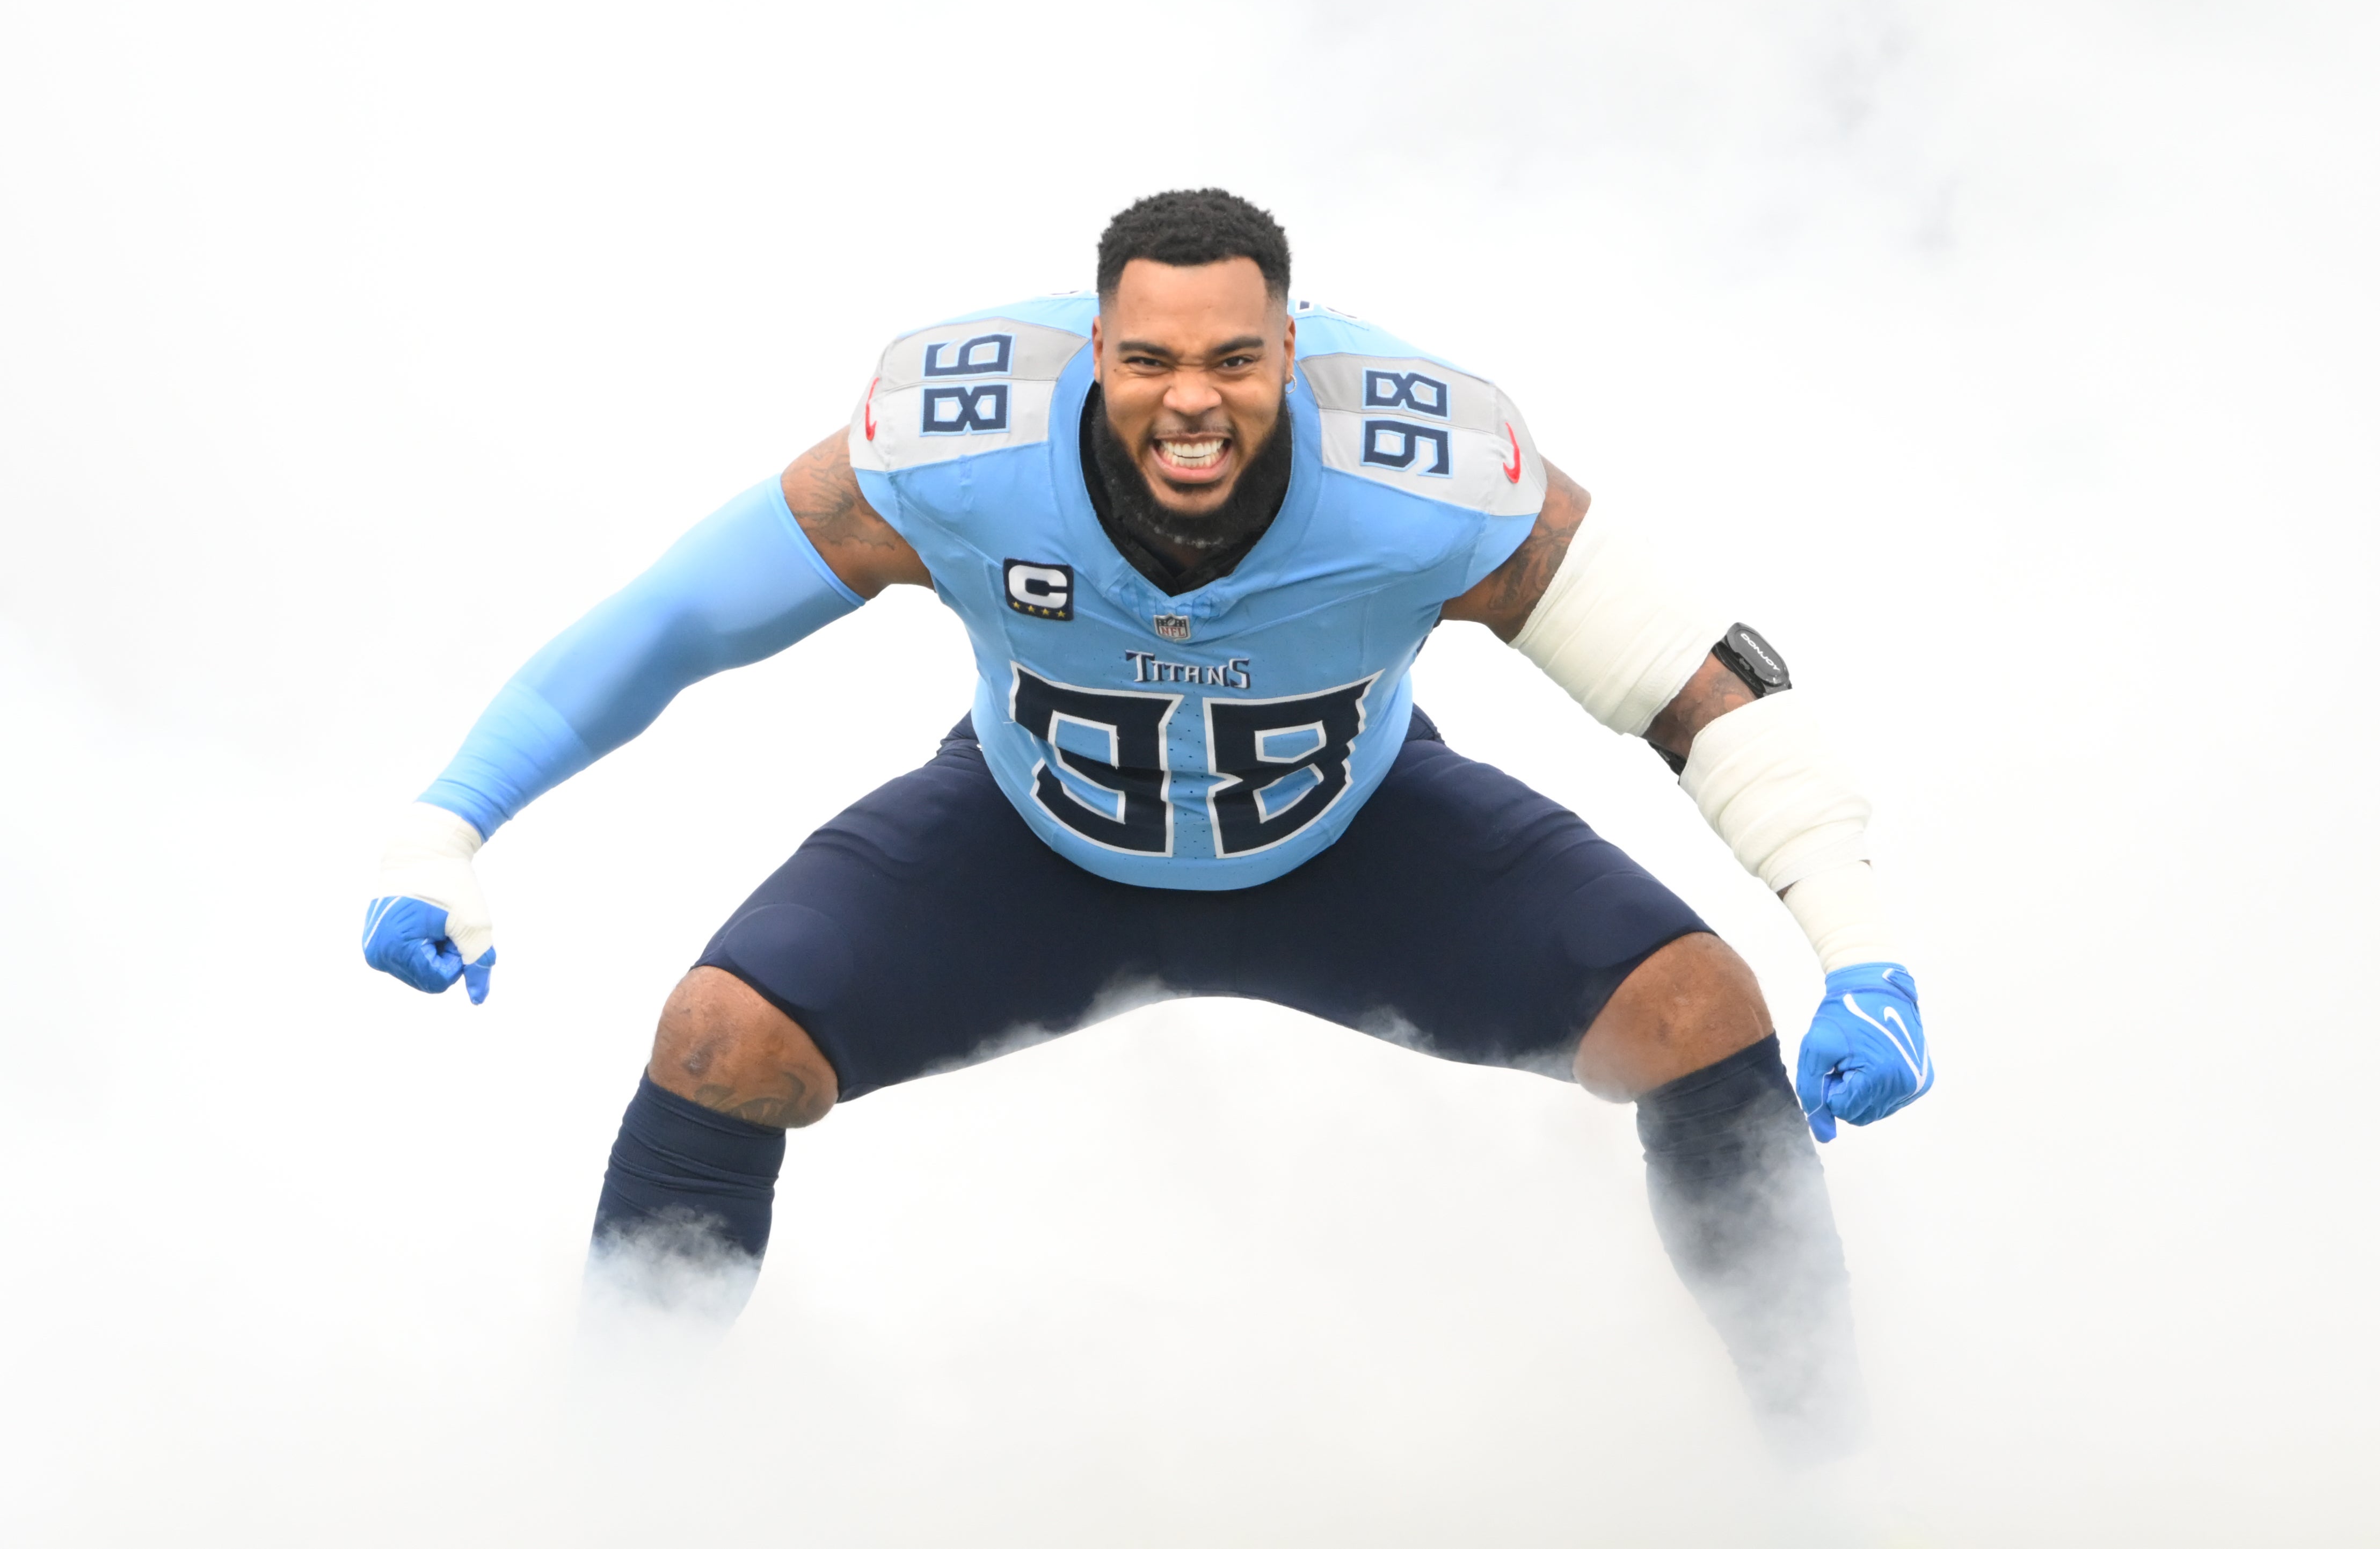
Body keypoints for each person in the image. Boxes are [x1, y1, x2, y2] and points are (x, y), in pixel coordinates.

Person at [362, 188, 1930, 1460]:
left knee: (1696, 1009)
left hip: (1354, 845)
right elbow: (675, 622)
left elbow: (1700, 686)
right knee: (719, 1040)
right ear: (1092, 350)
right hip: (1034, 843)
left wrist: (1854, 949)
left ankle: (1828, 1473)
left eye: (1235, 362)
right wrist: (451, 823)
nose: (1193, 402)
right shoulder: (955, 442)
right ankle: (597, 1477)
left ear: (1291, 350)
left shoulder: (1424, 467)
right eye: (1150, 361)